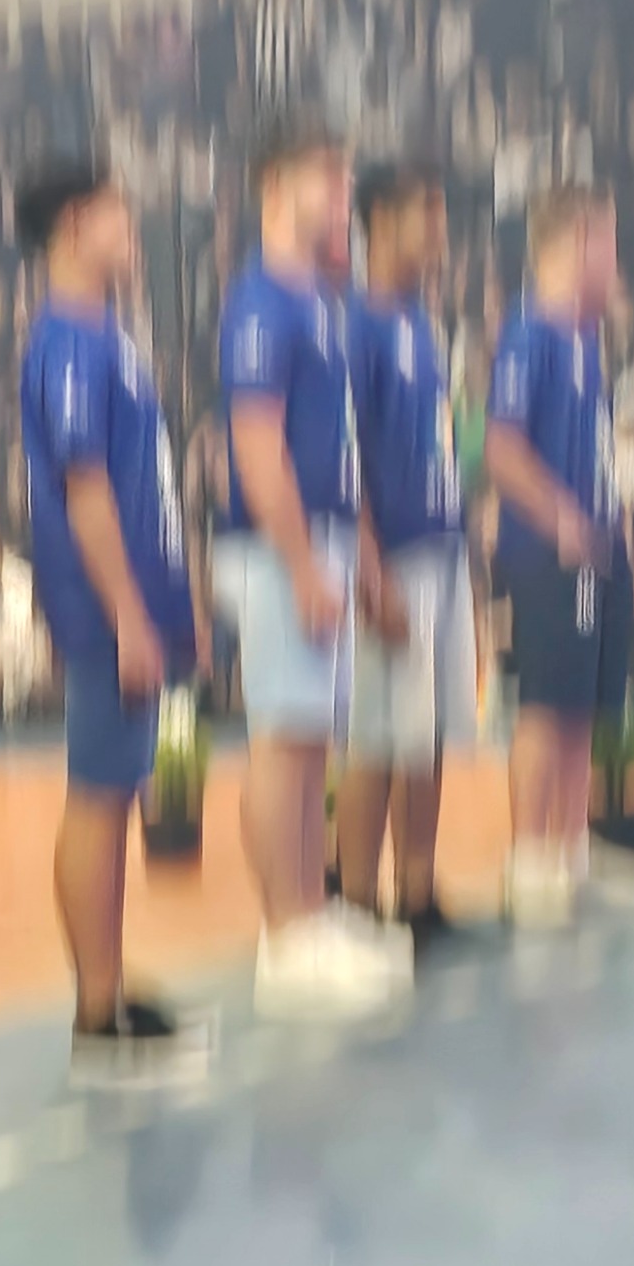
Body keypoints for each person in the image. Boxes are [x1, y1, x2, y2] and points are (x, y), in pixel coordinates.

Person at [15, 154, 211, 1084]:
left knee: (119, 793)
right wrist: (130, 614)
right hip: (104, 612)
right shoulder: (67, 344)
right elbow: (84, 486)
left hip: (136, 602)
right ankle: (97, 1012)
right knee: (97, 797)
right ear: (73, 226)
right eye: (116, 215)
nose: (132, 230)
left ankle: (112, 981)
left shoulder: (107, 336)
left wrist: (175, 602)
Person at [216, 128, 410, 1013]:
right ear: (274, 189)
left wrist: (355, 557)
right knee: (283, 738)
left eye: (345, 176)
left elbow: (338, 448)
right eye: (324, 177)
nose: (342, 192)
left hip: (321, 537)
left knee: (310, 739)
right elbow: (257, 444)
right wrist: (299, 564)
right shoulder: (261, 304)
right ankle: (285, 933)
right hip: (276, 547)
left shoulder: (321, 303)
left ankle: (309, 914)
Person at [337, 159, 475, 947]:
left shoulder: (420, 321)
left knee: (427, 733)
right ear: (384, 222)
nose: (442, 232)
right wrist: (368, 566)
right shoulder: (356, 325)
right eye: (430, 214)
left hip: (441, 545)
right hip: (391, 557)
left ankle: (416, 891)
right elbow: (344, 456)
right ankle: (356, 902)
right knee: (378, 737)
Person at [486, 185, 630, 924]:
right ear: (578, 240)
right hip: (549, 552)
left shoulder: (584, 339)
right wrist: (563, 519)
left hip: (593, 547)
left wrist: (611, 517)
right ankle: (528, 859)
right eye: (608, 240)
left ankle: (568, 849)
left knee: (581, 708)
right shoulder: (529, 335)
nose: (615, 257)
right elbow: (502, 448)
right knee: (546, 706)